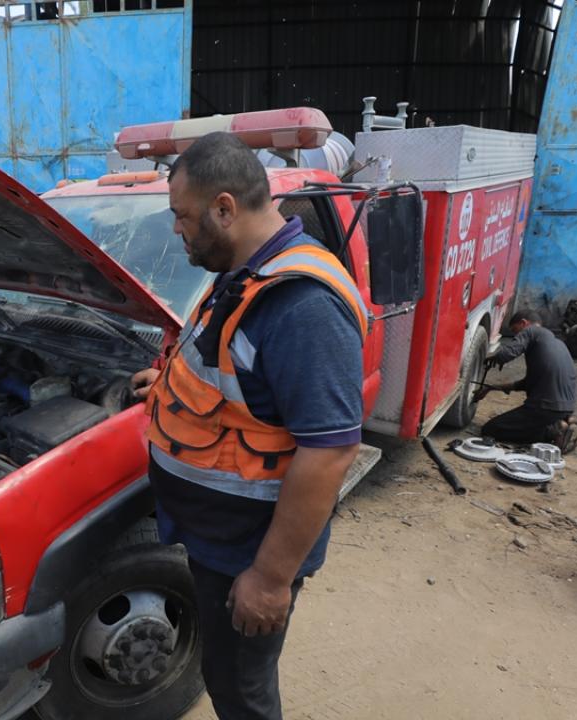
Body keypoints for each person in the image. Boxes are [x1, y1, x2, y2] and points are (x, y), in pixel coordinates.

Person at [131, 132, 367, 719]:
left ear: (224, 208)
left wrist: (268, 578)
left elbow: (330, 451)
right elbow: (227, 370)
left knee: (242, 692)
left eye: (182, 216)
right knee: (225, 673)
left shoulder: (302, 307)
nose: (177, 230)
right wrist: (165, 382)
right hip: (219, 540)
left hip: (248, 549)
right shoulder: (243, 270)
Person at [477, 310, 577, 452]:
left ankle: (553, 432)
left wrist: (493, 357)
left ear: (524, 323)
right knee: (528, 421)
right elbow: (527, 384)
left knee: (490, 429)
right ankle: (565, 421)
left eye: (515, 331)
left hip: (545, 408)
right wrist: (491, 388)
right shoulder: (557, 343)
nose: (516, 336)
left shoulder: (531, 331)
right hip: (565, 408)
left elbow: (508, 353)